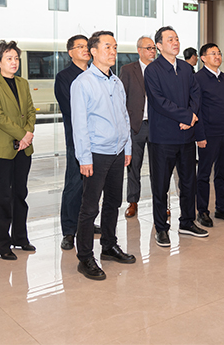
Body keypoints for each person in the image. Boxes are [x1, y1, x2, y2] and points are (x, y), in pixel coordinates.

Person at [70, 31, 134, 280]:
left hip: (118, 152)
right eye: (107, 46)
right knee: (89, 208)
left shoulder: (116, 82)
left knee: (113, 203)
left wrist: (127, 147)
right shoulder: (83, 83)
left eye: (115, 47)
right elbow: (79, 124)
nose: (113, 51)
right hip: (96, 153)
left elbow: (124, 116)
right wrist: (84, 157)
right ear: (93, 51)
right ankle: (85, 257)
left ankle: (108, 246)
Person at [144, 26, 208, 247]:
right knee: (161, 186)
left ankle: (187, 222)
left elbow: (196, 94)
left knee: (189, 182)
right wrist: (186, 115)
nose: (175, 42)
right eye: (170, 39)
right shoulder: (153, 70)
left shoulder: (186, 68)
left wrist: (191, 116)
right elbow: (158, 101)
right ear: (159, 45)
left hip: (186, 136)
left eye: (177, 39)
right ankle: (161, 228)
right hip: (163, 138)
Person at [0, 40, 36, 260]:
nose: (14, 62)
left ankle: (20, 238)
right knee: (2, 198)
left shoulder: (23, 83)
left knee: (20, 195)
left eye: (16, 58)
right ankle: (2, 245)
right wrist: (23, 134)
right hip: (1, 151)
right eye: (8, 58)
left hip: (23, 149)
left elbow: (31, 111)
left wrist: (28, 134)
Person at [54, 34, 99, 251]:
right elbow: (72, 110)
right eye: (80, 46)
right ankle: (69, 230)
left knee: (92, 185)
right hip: (77, 138)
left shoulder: (96, 74)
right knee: (74, 184)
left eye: (86, 46)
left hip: (98, 139)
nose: (85, 49)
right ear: (70, 52)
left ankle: (87, 224)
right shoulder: (64, 77)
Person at [194, 43, 224, 227]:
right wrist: (200, 135)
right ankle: (202, 211)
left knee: (222, 173)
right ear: (203, 58)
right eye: (213, 53)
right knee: (204, 174)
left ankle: (221, 207)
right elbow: (197, 108)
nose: (217, 56)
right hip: (208, 134)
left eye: (219, 53)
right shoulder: (198, 78)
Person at [120, 35, 156, 218]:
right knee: (134, 166)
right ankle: (132, 201)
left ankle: (160, 202)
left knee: (158, 168)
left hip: (157, 126)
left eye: (154, 48)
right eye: (148, 48)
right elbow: (122, 98)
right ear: (139, 50)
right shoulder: (128, 70)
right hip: (136, 126)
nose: (152, 51)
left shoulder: (160, 69)